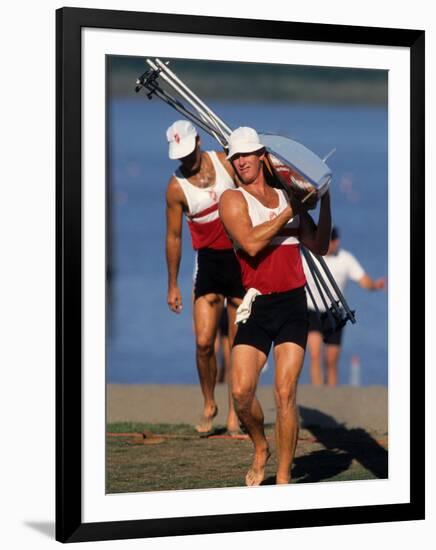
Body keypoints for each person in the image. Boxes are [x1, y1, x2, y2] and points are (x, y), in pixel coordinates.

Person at [219, 127, 331, 485]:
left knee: (285, 394)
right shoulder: (232, 200)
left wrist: (324, 200)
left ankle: (282, 481)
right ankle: (260, 446)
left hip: (293, 304)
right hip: (256, 306)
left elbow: (319, 245)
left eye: (247, 154)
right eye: (235, 157)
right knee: (240, 393)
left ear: (262, 156)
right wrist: (290, 212)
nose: (241, 162)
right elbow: (251, 244)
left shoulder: (288, 195)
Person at [165, 120, 245, 435]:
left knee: (238, 343)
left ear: (198, 140)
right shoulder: (175, 188)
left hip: (239, 261)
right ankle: (209, 402)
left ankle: (235, 413)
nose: (186, 160)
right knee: (203, 343)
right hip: (208, 264)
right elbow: (173, 237)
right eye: (179, 156)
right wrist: (172, 284)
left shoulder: (225, 162)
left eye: (188, 151)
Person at [304, 226, 385, 386]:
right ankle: (318, 394)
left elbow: (363, 280)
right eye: (332, 241)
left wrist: (375, 285)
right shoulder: (310, 256)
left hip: (336, 313)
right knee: (315, 355)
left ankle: (332, 395)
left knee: (331, 361)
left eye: (336, 241)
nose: (336, 244)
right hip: (312, 310)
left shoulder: (345, 259)